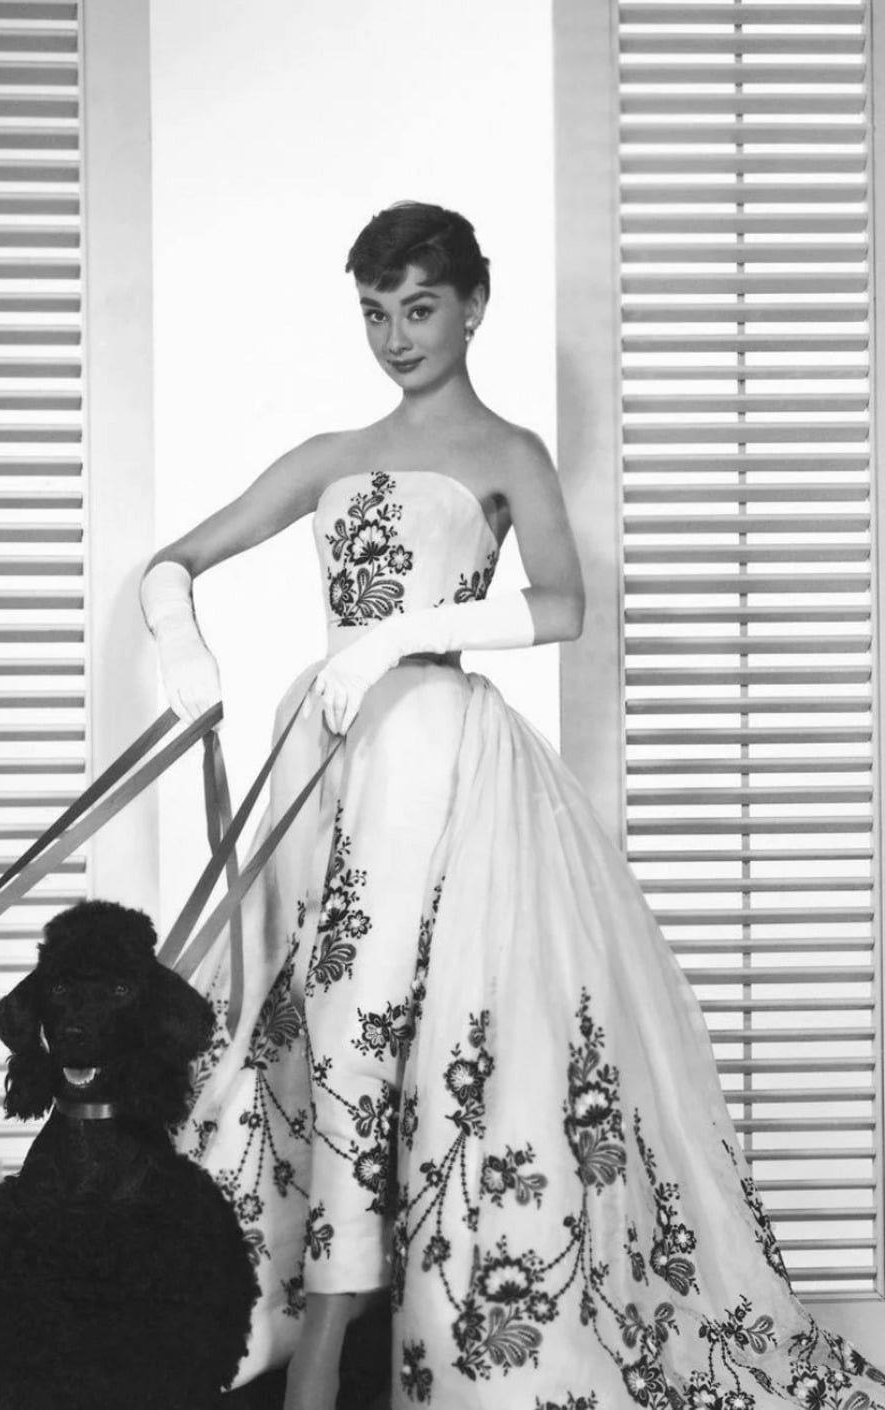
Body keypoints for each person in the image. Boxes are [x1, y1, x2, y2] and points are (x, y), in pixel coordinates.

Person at [140, 202, 884, 1409]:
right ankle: (310, 1317)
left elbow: (561, 604)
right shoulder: (332, 452)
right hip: (328, 753)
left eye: (419, 308)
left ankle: (344, 1340)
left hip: (440, 753)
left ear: (473, 305)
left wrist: (404, 635)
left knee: (422, 1032)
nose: (397, 336)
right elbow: (176, 556)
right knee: (323, 1021)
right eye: (376, 312)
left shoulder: (509, 454)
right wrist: (182, 637)